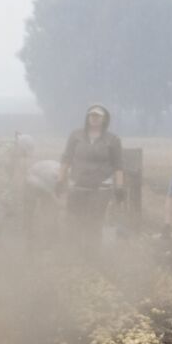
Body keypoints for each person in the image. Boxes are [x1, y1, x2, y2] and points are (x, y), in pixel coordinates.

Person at [57, 104, 124, 249]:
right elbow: (66, 158)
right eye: (92, 115)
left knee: (94, 220)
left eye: (98, 116)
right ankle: (74, 252)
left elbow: (118, 165)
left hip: (101, 187)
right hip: (78, 184)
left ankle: (92, 253)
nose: (94, 118)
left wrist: (119, 187)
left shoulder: (112, 140)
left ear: (104, 119)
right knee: (74, 218)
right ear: (87, 118)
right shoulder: (76, 136)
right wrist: (60, 180)